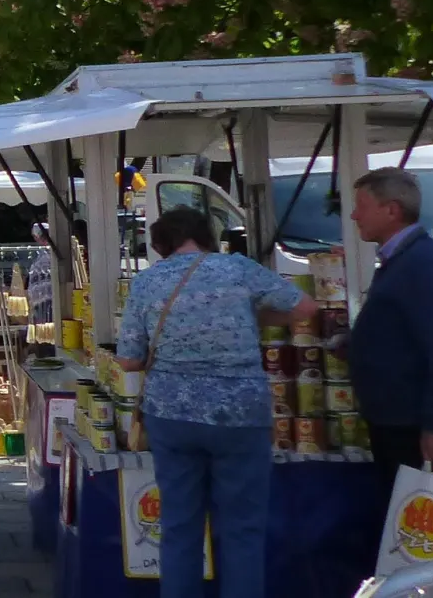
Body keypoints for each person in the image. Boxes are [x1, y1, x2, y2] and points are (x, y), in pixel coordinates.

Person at [115, 206, 315, 598]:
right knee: (243, 529)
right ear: (206, 235)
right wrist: (252, 318)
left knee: (179, 527)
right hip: (239, 412)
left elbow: (129, 360)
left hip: (171, 414)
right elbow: (305, 307)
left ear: (160, 244)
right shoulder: (237, 268)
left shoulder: (148, 282)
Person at [348, 167, 433, 503]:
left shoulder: (421, 264)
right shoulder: (402, 260)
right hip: (396, 419)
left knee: (426, 522)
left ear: (392, 210)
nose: (353, 215)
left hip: (412, 423)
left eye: (361, 205)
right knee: (406, 523)